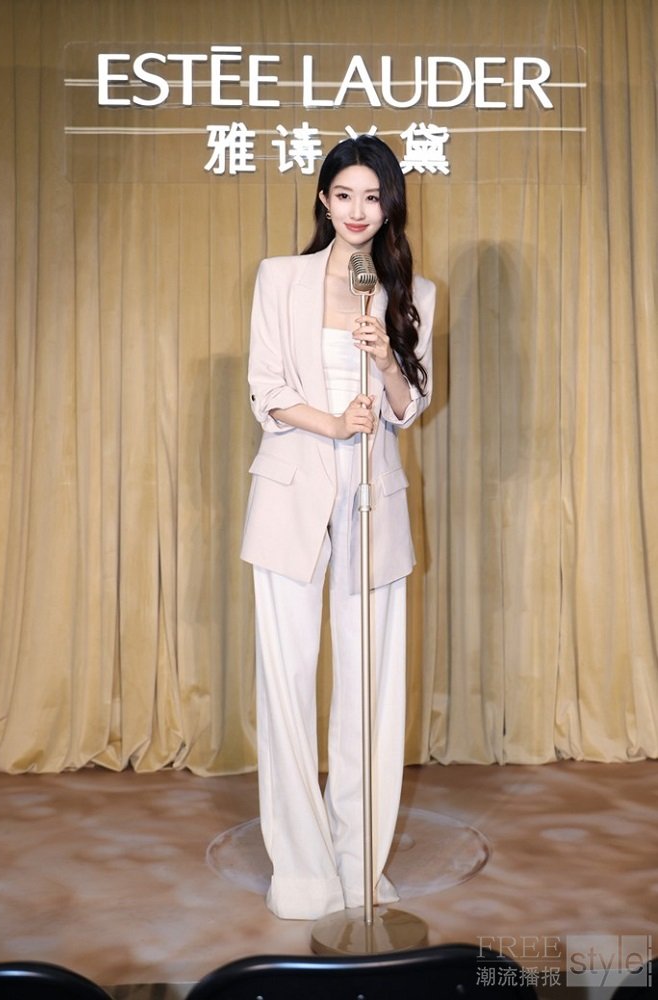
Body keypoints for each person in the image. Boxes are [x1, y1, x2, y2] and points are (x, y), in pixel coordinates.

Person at [241, 134, 435, 920]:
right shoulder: (280, 278)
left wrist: (386, 357)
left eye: (373, 197)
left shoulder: (412, 290)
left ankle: (358, 867)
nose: (358, 211)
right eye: (344, 194)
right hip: (290, 498)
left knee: (369, 690)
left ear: (390, 206)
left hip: (372, 502)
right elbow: (264, 388)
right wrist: (330, 422)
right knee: (286, 686)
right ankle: (303, 870)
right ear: (324, 199)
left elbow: (409, 407)